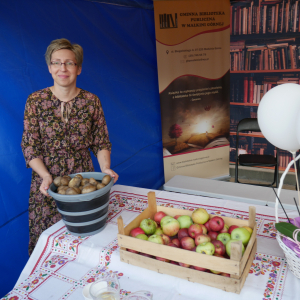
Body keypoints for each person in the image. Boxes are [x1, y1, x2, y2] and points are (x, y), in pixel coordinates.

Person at [21, 38, 118, 255]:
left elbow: (101, 141)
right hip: (47, 188)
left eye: (69, 63)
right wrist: (45, 176)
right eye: (56, 63)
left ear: (79, 68)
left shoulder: (91, 102)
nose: (62, 68)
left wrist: (105, 169)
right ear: (49, 68)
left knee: (85, 244)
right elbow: (30, 146)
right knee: (47, 247)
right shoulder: (35, 101)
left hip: (84, 185)